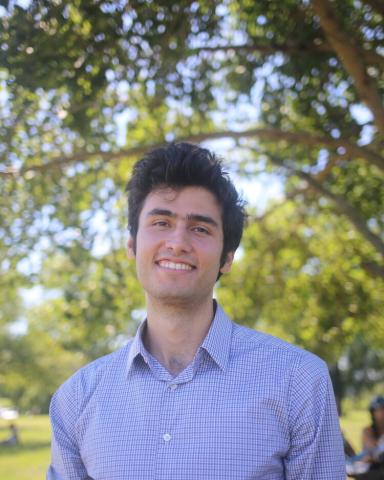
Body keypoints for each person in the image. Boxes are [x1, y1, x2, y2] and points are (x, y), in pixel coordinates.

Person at [47, 142, 346, 479]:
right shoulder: (75, 400)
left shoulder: (299, 382)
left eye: (200, 228)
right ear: (132, 244)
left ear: (227, 258)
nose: (177, 242)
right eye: (161, 222)